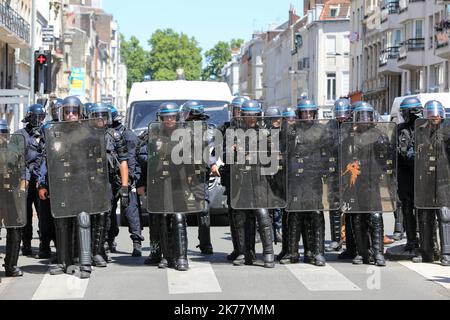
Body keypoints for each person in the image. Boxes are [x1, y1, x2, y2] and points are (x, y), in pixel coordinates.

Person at [137, 102, 192, 271]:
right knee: (161, 218)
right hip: (159, 182)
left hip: (179, 182)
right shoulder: (152, 133)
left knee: (179, 218)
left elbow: (195, 157)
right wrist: (155, 157)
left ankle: (181, 257)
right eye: (166, 117)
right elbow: (141, 154)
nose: (169, 120)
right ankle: (165, 256)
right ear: (160, 118)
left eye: (172, 116)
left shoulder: (186, 134)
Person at [281, 100, 329, 267]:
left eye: (310, 112)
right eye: (304, 113)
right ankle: (292, 252)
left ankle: (317, 252)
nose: (308, 116)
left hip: (314, 178)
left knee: (315, 213)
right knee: (294, 214)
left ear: (314, 113)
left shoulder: (321, 131)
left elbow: (328, 154)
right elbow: (284, 151)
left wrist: (324, 170)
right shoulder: (292, 130)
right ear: (299, 114)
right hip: (296, 178)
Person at [341, 103, 389, 267]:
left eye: (367, 116)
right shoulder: (350, 137)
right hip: (355, 182)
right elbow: (344, 157)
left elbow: (386, 158)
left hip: (372, 182)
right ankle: (362, 253)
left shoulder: (378, 135)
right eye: (361, 116)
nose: (364, 120)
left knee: (375, 216)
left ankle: (378, 253)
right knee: (358, 217)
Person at [230, 100, 275, 268]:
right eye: (247, 115)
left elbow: (273, 156)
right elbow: (227, 157)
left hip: (259, 179)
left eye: (253, 115)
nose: (250, 118)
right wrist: (232, 150)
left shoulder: (265, 133)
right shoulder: (235, 132)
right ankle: (244, 252)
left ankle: (268, 253)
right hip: (242, 179)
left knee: (262, 214)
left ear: (258, 115)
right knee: (241, 216)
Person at [87, 103, 130, 266]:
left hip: (108, 182)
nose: (100, 120)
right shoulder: (84, 136)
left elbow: (123, 161)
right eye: (96, 116)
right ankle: (86, 251)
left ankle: (99, 250)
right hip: (88, 182)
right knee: (88, 217)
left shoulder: (115, 136)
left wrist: (124, 187)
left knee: (104, 216)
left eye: (103, 116)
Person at [103, 104, 143, 257]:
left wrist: (131, 181)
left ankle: (136, 242)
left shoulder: (127, 135)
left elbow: (131, 159)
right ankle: (109, 239)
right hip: (112, 178)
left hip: (126, 179)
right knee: (109, 211)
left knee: (131, 210)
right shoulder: (104, 133)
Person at [413, 100, 450, 266]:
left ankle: (446, 254)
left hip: (443, 179)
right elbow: (410, 152)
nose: (434, 116)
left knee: (444, 215)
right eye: (430, 113)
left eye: (436, 113)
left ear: (442, 114)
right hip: (425, 180)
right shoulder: (419, 131)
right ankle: (427, 252)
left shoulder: (448, 131)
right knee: (425, 216)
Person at [182, 101, 216, 255]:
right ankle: (178, 244)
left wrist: (213, 164)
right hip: (180, 173)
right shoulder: (178, 129)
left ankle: (205, 244)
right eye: (192, 118)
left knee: (203, 208)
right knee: (178, 209)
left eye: (197, 118)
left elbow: (211, 151)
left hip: (199, 173)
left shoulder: (207, 131)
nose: (194, 121)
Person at [220, 96, 250, 261]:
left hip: (250, 177)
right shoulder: (226, 129)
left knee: (248, 216)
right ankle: (238, 248)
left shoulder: (254, 127)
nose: (237, 114)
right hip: (233, 176)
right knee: (234, 214)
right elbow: (219, 151)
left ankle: (247, 249)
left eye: (240, 111)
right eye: (235, 110)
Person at [16, 105, 46, 257]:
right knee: (25, 213)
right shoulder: (20, 135)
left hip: (40, 179)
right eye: (35, 117)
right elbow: (14, 159)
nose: (38, 120)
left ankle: (44, 243)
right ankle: (26, 244)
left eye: (41, 117)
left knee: (43, 213)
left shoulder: (46, 133)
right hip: (24, 178)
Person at [1, 120, 28, 277]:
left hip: (11, 194)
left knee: (15, 231)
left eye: (3, 134)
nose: (1, 137)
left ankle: (11, 265)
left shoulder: (14, 149)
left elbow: (23, 168)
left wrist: (23, 187)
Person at [397, 97, 423, 254]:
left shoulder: (424, 127)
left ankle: (426, 240)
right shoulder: (400, 129)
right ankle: (411, 240)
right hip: (406, 175)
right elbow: (401, 152)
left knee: (424, 209)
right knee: (407, 207)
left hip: (423, 175)